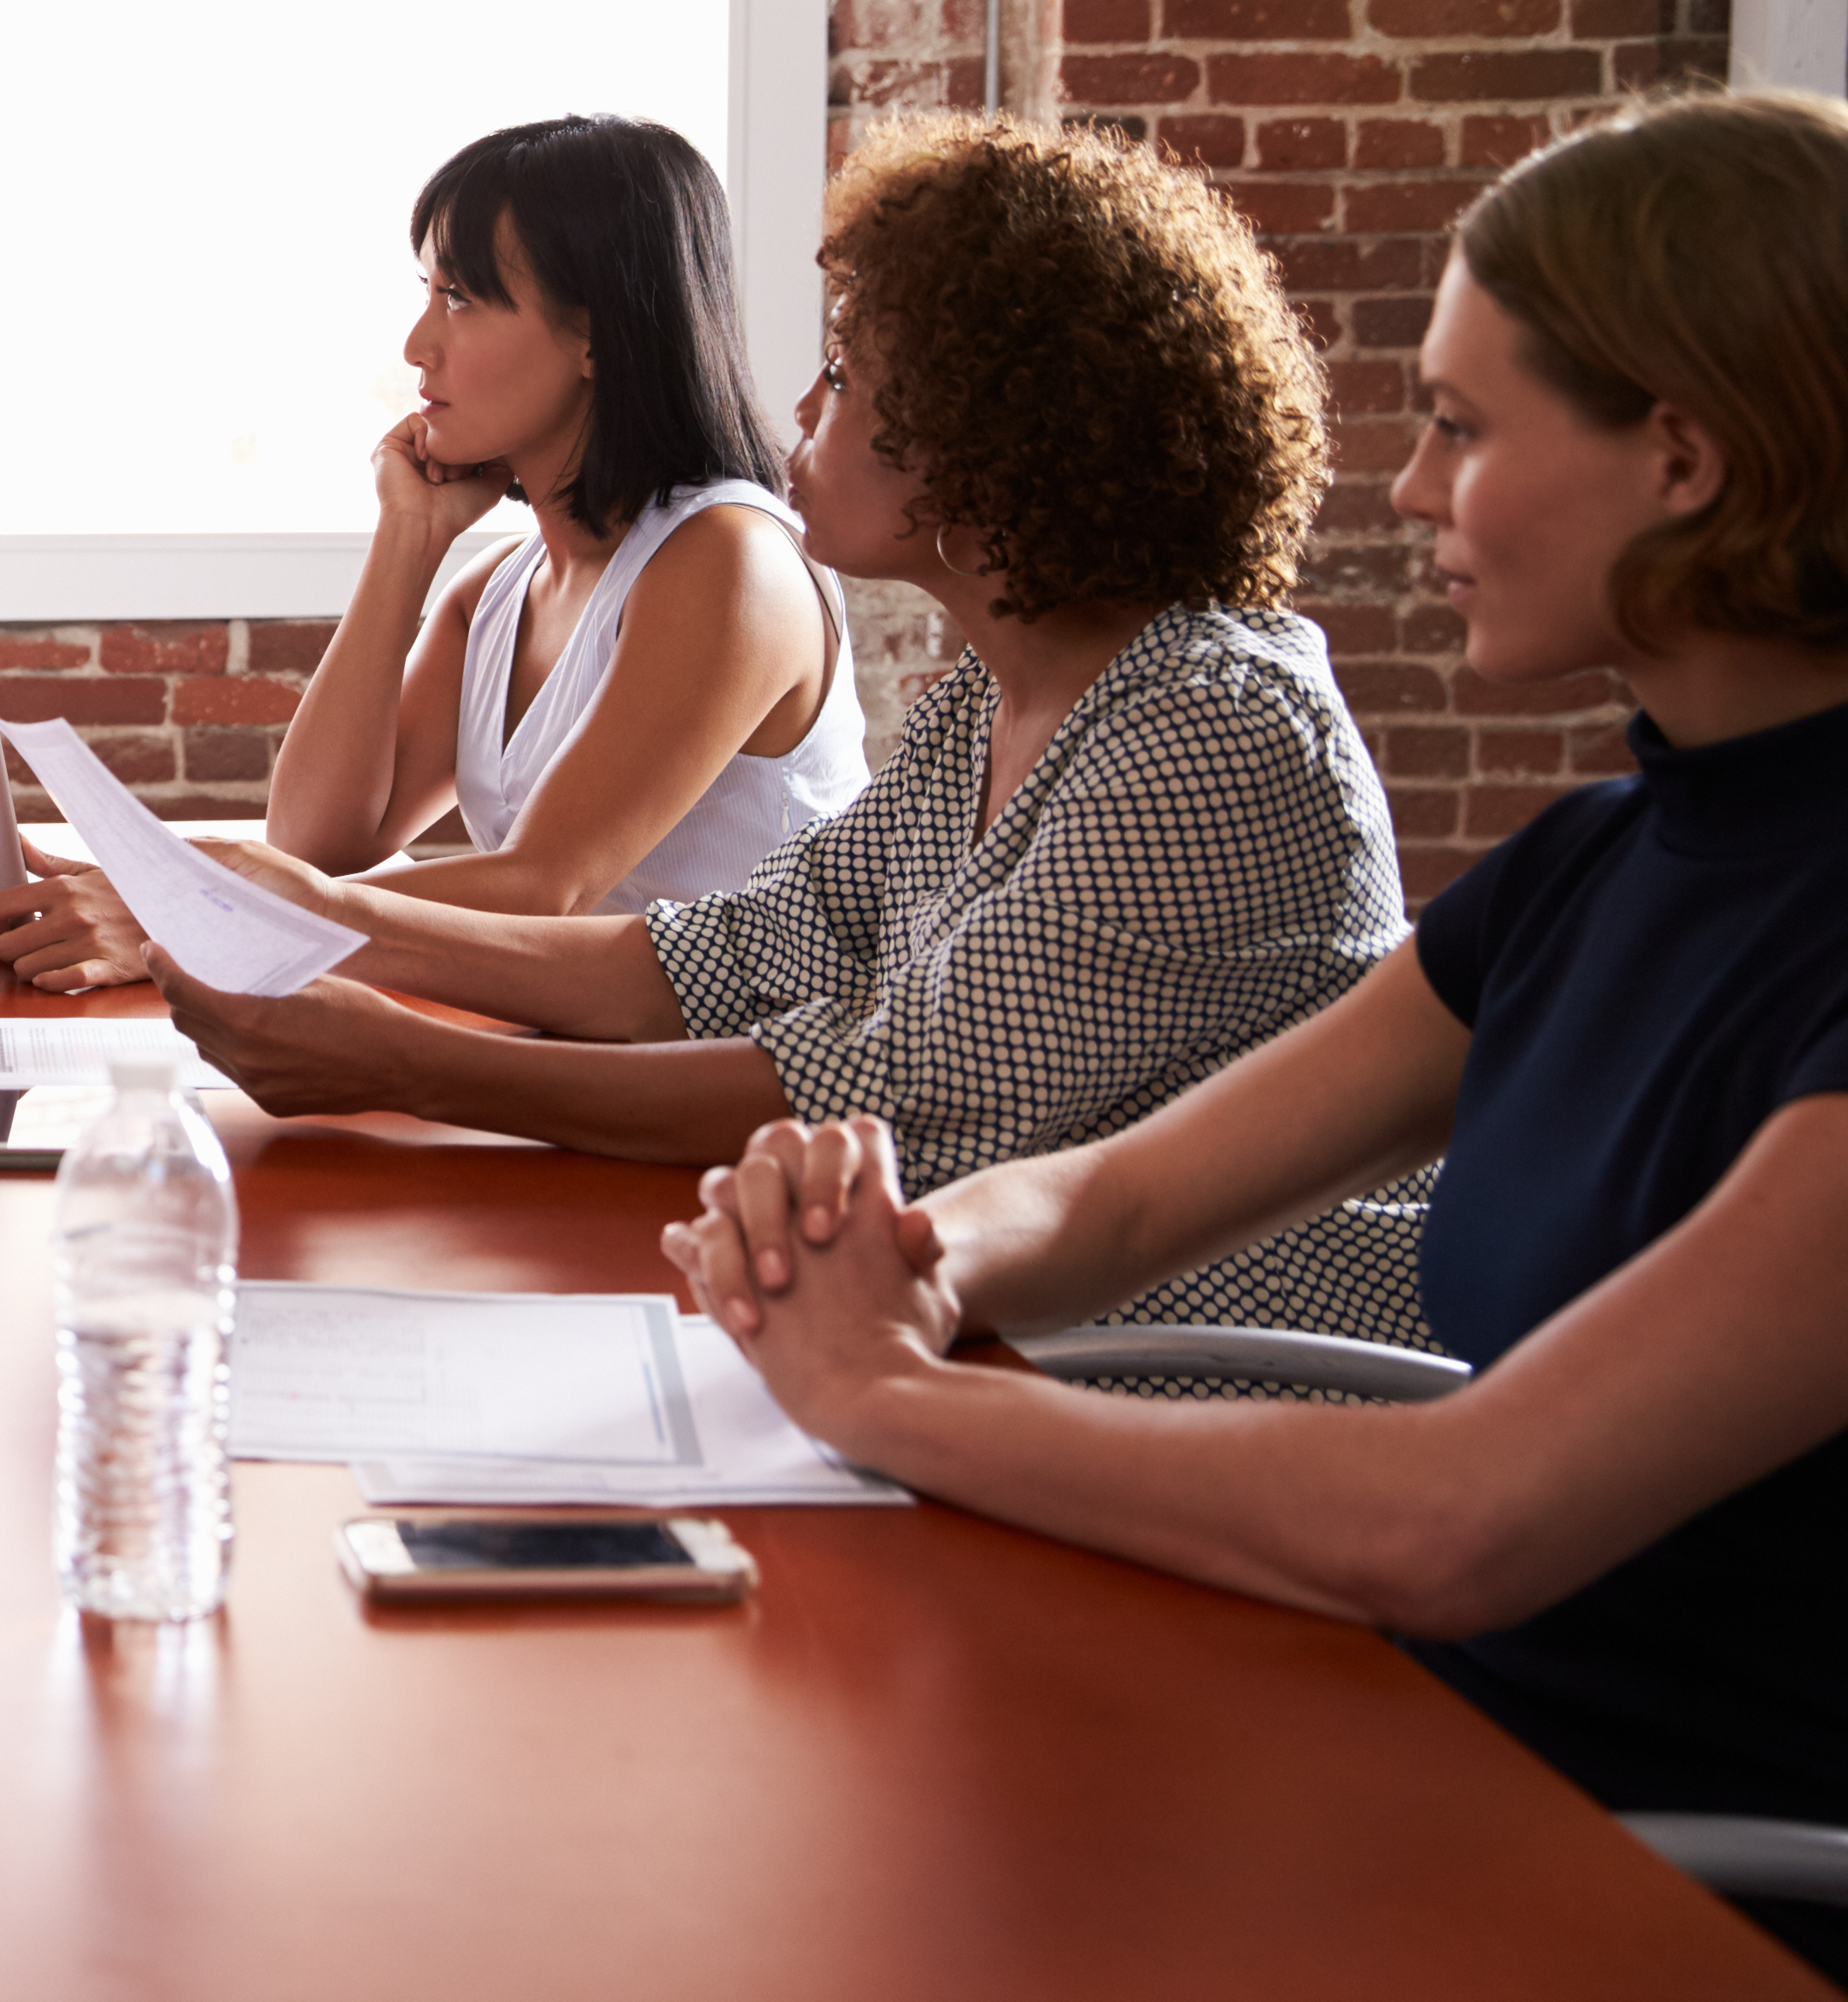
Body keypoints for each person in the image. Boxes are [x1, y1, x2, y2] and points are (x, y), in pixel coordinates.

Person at [665, 91, 1848, 1981]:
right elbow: (1125, 1207)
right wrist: (901, 1246)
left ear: (1683, 458)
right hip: (1414, 1743)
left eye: (1463, 428)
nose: (1402, 489)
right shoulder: (1594, 860)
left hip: (1641, 1885)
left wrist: (897, 1395)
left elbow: (1464, 1522)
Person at [154, 113, 1429, 1341]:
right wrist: (321, 917)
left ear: (987, 436)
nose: (806, 409)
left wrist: (403, 1059)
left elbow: (878, 1095)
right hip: (988, 1331)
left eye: (850, 373)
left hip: (1209, 1377)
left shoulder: (1211, 733)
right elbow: (734, 955)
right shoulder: (990, 703)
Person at [0, 115, 862, 991]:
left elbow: (544, 889)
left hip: (745, 1088)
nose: (417, 346)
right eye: (429, 292)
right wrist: (410, 539)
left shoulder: (730, 562)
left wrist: (190, 906)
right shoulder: (500, 590)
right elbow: (320, 839)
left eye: (462, 299)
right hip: (567, 1058)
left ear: (596, 333)